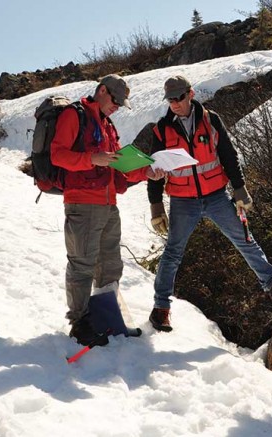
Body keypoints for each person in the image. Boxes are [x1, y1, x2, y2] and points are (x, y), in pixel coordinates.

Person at [146, 75, 272, 332]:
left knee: (244, 239)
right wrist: (156, 207)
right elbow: (154, 169)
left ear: (190, 94)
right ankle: (161, 308)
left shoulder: (211, 119)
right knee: (173, 252)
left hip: (216, 195)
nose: (175, 103)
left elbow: (229, 155)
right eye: (170, 99)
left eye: (179, 98)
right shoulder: (161, 129)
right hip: (183, 201)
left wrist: (240, 190)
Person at [51, 74, 164, 346]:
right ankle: (80, 325)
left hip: (109, 204)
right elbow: (58, 155)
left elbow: (117, 168)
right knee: (82, 266)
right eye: (115, 100)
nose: (117, 106)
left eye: (120, 103)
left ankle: (106, 319)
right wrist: (92, 158)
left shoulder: (108, 125)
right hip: (82, 203)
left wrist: (146, 172)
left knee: (110, 265)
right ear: (101, 91)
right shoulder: (73, 115)